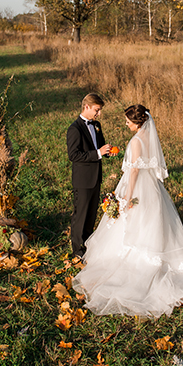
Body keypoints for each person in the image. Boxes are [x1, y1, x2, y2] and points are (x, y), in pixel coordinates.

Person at [72, 104, 183, 318]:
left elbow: (134, 170)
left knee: (132, 223)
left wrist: (128, 196)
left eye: (128, 121)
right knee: (154, 222)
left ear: (138, 123)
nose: (126, 124)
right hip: (152, 188)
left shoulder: (136, 141)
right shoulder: (148, 139)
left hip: (137, 187)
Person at [66, 93, 112, 259]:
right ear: (86, 107)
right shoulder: (75, 129)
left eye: (99, 110)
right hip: (83, 179)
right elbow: (74, 155)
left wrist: (106, 151)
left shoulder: (97, 125)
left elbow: (98, 147)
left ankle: (87, 244)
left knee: (91, 213)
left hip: (95, 177)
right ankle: (77, 250)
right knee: (81, 214)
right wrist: (97, 154)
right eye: (96, 110)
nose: (98, 113)